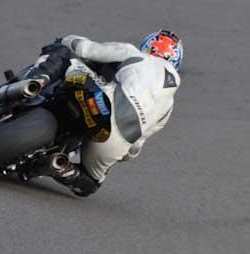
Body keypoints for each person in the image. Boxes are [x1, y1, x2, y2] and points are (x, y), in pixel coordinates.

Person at [22, 30, 182, 196]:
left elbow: (84, 49)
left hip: (100, 101)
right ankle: (61, 167)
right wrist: (119, 153)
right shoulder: (168, 106)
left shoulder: (135, 54)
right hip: (114, 142)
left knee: (63, 55)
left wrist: (65, 40)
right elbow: (133, 150)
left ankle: (29, 86)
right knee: (91, 183)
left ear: (148, 46)